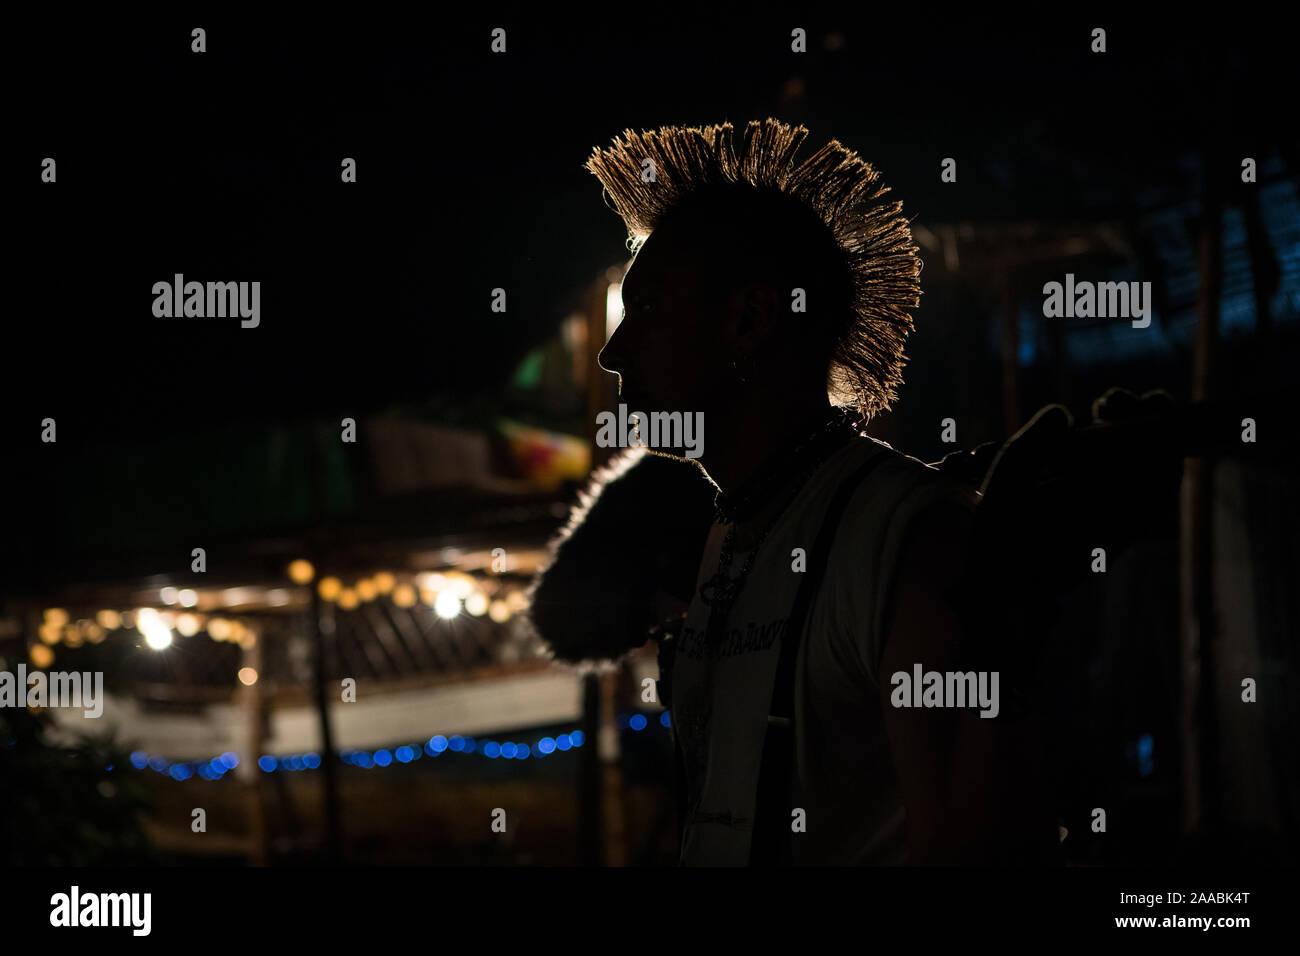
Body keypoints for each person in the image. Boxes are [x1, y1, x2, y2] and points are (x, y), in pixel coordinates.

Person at [582, 118, 1059, 865]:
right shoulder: (735, 531)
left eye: (645, 309)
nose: (614, 354)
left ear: (750, 320)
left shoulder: (907, 539)